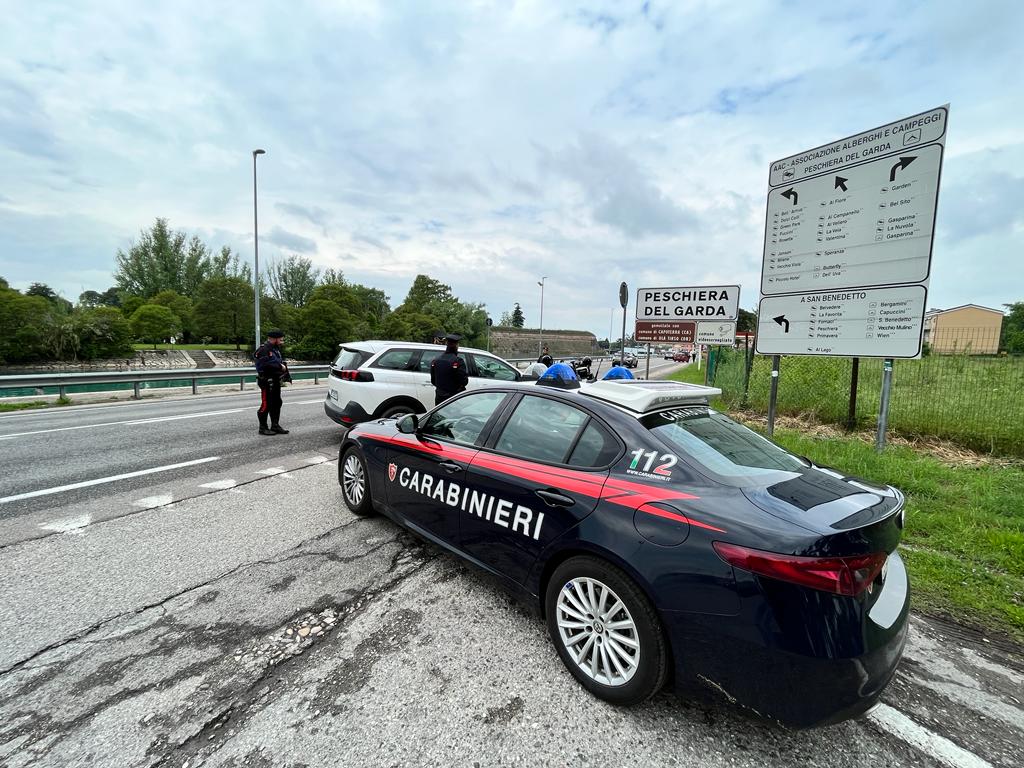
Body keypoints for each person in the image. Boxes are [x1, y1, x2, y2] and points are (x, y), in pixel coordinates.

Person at [254, 330, 290, 436]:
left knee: (277, 403)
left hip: (275, 380)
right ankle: (263, 428)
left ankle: (275, 425)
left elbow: (276, 361)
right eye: (281, 339)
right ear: (274, 339)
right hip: (266, 381)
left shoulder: (274, 349)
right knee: (266, 404)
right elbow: (266, 364)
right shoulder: (264, 349)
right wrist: (280, 366)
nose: (282, 341)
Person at [430, 333, 469, 406]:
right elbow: (464, 381)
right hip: (454, 399)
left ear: (447, 344)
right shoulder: (458, 361)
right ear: (457, 345)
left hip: (439, 398)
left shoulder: (436, 360)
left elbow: (433, 380)